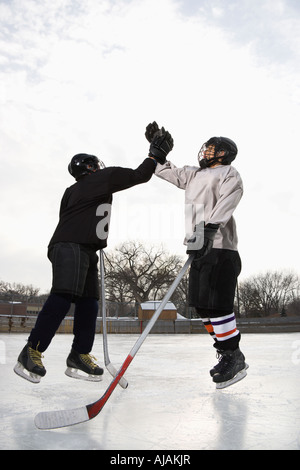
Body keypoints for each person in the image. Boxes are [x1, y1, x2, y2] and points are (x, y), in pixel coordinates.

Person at [14, 128, 174, 383]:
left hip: (84, 248)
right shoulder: (98, 179)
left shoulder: (76, 189)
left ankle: (79, 354)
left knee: (89, 302)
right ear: (89, 168)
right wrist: (155, 156)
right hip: (72, 246)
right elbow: (139, 175)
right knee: (63, 296)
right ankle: (31, 350)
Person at [145, 122, 248, 389]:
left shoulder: (229, 173)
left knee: (218, 305)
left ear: (224, 153)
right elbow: (165, 171)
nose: (206, 151)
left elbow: (229, 200)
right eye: (206, 147)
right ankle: (227, 351)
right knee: (201, 306)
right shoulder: (193, 174)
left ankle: (232, 355)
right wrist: (156, 152)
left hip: (219, 247)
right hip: (197, 245)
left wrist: (209, 228)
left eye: (212, 148)